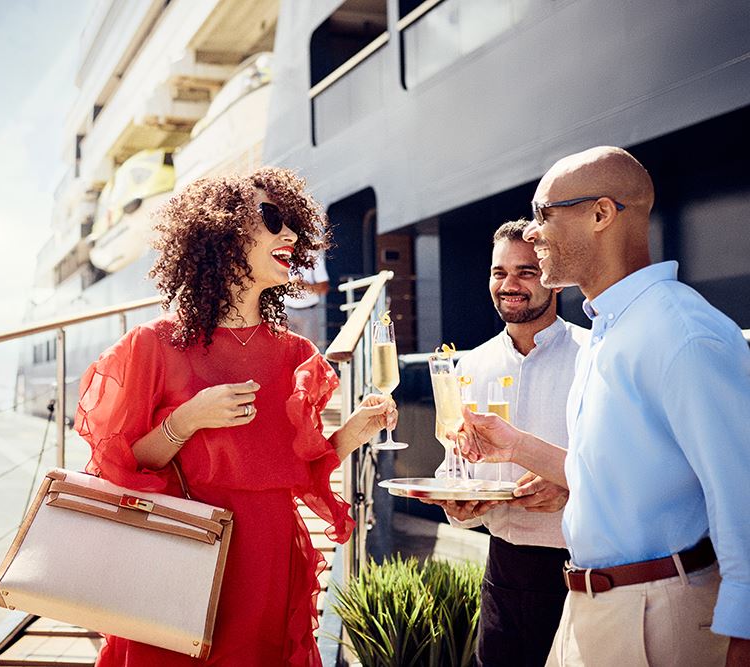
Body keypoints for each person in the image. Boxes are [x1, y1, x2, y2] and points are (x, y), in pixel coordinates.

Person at [73, 167, 398, 667]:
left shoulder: (295, 354)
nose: (289, 233)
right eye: (271, 219)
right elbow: (123, 465)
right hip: (182, 547)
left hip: (268, 558)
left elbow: (300, 470)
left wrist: (355, 431)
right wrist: (188, 419)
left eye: (293, 223)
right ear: (221, 233)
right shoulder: (154, 345)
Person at [455, 146, 750, 666]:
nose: (535, 231)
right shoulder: (611, 331)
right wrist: (515, 444)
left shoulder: (680, 333)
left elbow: (743, 492)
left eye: (544, 213)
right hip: (591, 607)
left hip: (658, 614)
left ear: (601, 213)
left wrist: (744, 638)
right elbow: (605, 477)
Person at [424, 219, 586, 666]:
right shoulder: (468, 366)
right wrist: (456, 505)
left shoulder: (594, 356)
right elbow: (454, 468)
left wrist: (571, 489)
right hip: (503, 572)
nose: (509, 284)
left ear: (552, 279)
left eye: (526, 272)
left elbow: (624, 469)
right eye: (500, 272)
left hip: (582, 568)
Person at [283, 252, 330, 347]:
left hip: (308, 312)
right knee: (284, 349)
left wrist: (303, 285)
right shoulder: (283, 255)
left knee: (308, 351)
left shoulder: (314, 257)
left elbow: (324, 288)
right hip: (286, 311)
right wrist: (288, 284)